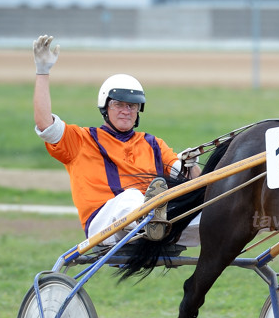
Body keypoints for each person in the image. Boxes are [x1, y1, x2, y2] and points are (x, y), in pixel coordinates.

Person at [32, 35, 202, 246]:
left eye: (131, 106)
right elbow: (44, 125)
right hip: (105, 226)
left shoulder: (154, 144)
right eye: (118, 105)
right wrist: (43, 71)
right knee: (131, 197)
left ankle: (248, 222)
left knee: (205, 213)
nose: (126, 111)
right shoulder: (81, 140)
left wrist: (191, 165)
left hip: (155, 223)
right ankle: (148, 219)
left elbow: (193, 184)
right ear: (105, 107)